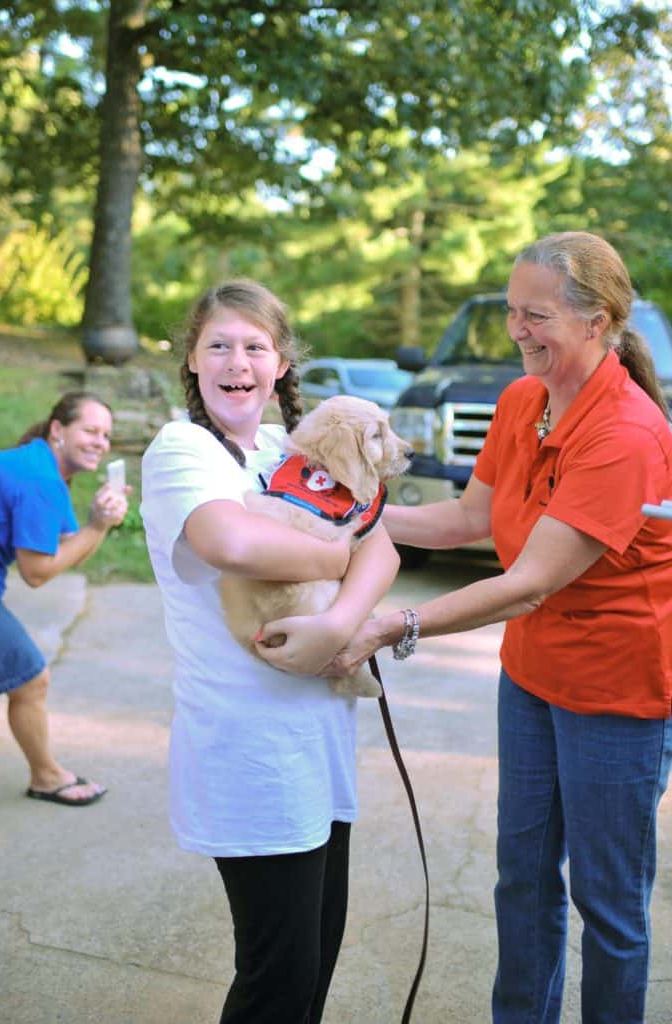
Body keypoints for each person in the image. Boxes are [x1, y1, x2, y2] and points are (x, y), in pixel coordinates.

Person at [259, 232, 672, 1023]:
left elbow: (526, 584)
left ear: (599, 320)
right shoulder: (523, 399)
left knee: (607, 901)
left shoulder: (626, 434)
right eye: (512, 311)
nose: (517, 329)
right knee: (520, 877)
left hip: (617, 690)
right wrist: (343, 514)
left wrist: (389, 624)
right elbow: (467, 517)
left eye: (536, 315)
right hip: (532, 676)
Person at [140, 278, 398, 1024]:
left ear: (281, 362)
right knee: (275, 979)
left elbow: (381, 543)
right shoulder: (182, 448)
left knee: (314, 961)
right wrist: (339, 555)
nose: (237, 361)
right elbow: (233, 541)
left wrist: (339, 622)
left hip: (318, 743)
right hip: (247, 750)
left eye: (255, 346)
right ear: (192, 360)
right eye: (218, 344)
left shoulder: (293, 449)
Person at [0, 391, 129, 806]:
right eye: (90, 430)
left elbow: (68, 544)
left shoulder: (41, 468)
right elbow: (37, 573)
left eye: (105, 435)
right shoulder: (41, 480)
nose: (100, 442)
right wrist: (98, 528)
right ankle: (47, 776)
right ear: (58, 430)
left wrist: (98, 524)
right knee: (32, 678)